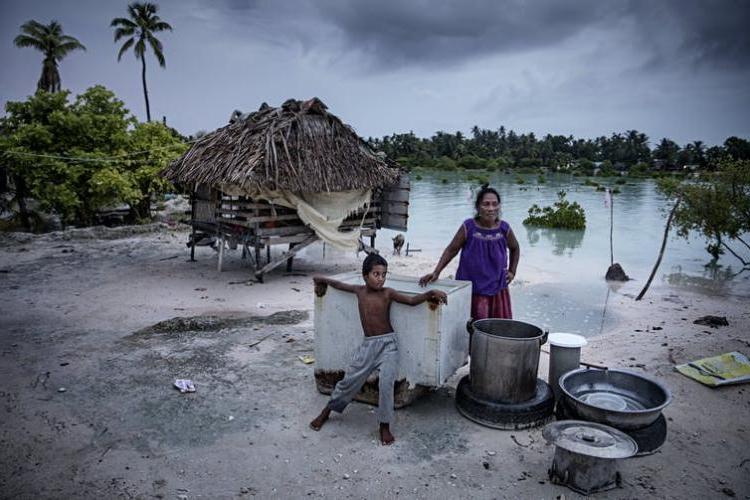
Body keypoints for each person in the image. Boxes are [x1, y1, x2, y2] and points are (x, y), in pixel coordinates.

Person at [309, 253, 447, 445]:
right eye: (376, 274)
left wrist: (430, 294)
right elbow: (340, 285)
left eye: (383, 274)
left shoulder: (388, 293)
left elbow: (410, 301)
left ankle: (384, 425)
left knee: (386, 384)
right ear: (365, 276)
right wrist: (322, 279)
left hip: (388, 345)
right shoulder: (359, 291)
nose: (380, 278)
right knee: (349, 380)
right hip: (369, 346)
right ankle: (326, 412)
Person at [419, 185, 519, 320]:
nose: (491, 209)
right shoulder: (469, 227)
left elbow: (515, 248)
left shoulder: (504, 229)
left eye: (495, 204)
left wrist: (512, 272)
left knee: (497, 328)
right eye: (486, 204)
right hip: (472, 289)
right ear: (478, 207)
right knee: (472, 328)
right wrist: (436, 272)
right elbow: (451, 250)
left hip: (497, 289)